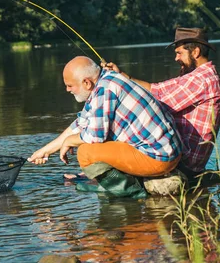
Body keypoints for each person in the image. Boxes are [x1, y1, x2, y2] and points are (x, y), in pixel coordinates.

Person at [27, 56, 182, 198]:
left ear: (86, 83)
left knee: (86, 152)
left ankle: (131, 192)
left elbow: (94, 136)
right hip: (164, 151)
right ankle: (127, 182)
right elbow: (79, 125)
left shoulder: (105, 90)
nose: (67, 90)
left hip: (158, 157)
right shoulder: (106, 82)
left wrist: (69, 141)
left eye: (69, 85)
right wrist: (45, 150)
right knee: (89, 144)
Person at [104, 27, 220, 179]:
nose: (176, 58)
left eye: (179, 53)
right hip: (182, 157)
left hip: (184, 163)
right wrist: (121, 75)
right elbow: (157, 90)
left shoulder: (201, 80)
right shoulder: (198, 75)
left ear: (195, 52)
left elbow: (156, 106)